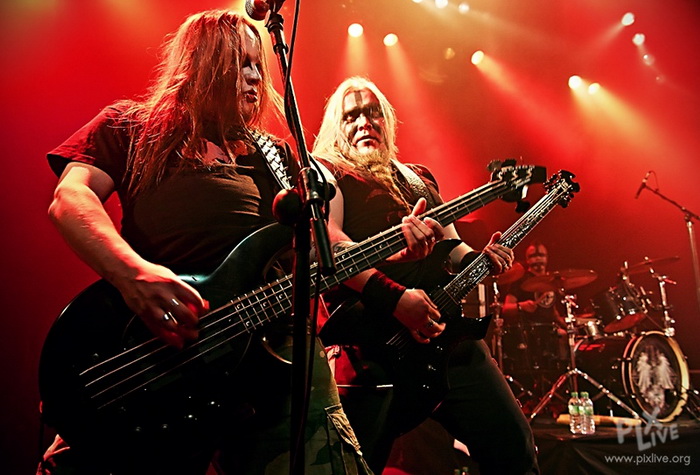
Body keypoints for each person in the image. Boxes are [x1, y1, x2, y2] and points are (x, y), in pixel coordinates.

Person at [36, 11, 426, 475]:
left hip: (268, 363)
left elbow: (323, 249)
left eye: (259, 65)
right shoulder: (130, 127)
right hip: (154, 354)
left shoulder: (276, 156)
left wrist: (390, 254)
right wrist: (132, 275)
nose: (256, 76)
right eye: (241, 62)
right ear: (200, 64)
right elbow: (70, 198)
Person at [311, 76, 539, 474]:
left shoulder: (418, 178)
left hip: (446, 339)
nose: (364, 122)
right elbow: (329, 247)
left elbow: (454, 247)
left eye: (373, 113)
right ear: (335, 127)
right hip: (374, 346)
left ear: (387, 121)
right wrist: (396, 299)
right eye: (352, 116)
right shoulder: (330, 171)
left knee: (515, 450)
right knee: (354, 466)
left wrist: (484, 258)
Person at [502, 241, 567, 397]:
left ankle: (562, 389)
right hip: (527, 333)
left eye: (541, 255)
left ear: (547, 258)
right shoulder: (520, 280)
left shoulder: (552, 281)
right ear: (527, 259)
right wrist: (521, 306)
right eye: (533, 256)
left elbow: (552, 311)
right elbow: (505, 308)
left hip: (550, 331)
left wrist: (568, 324)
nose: (538, 259)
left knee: (566, 336)